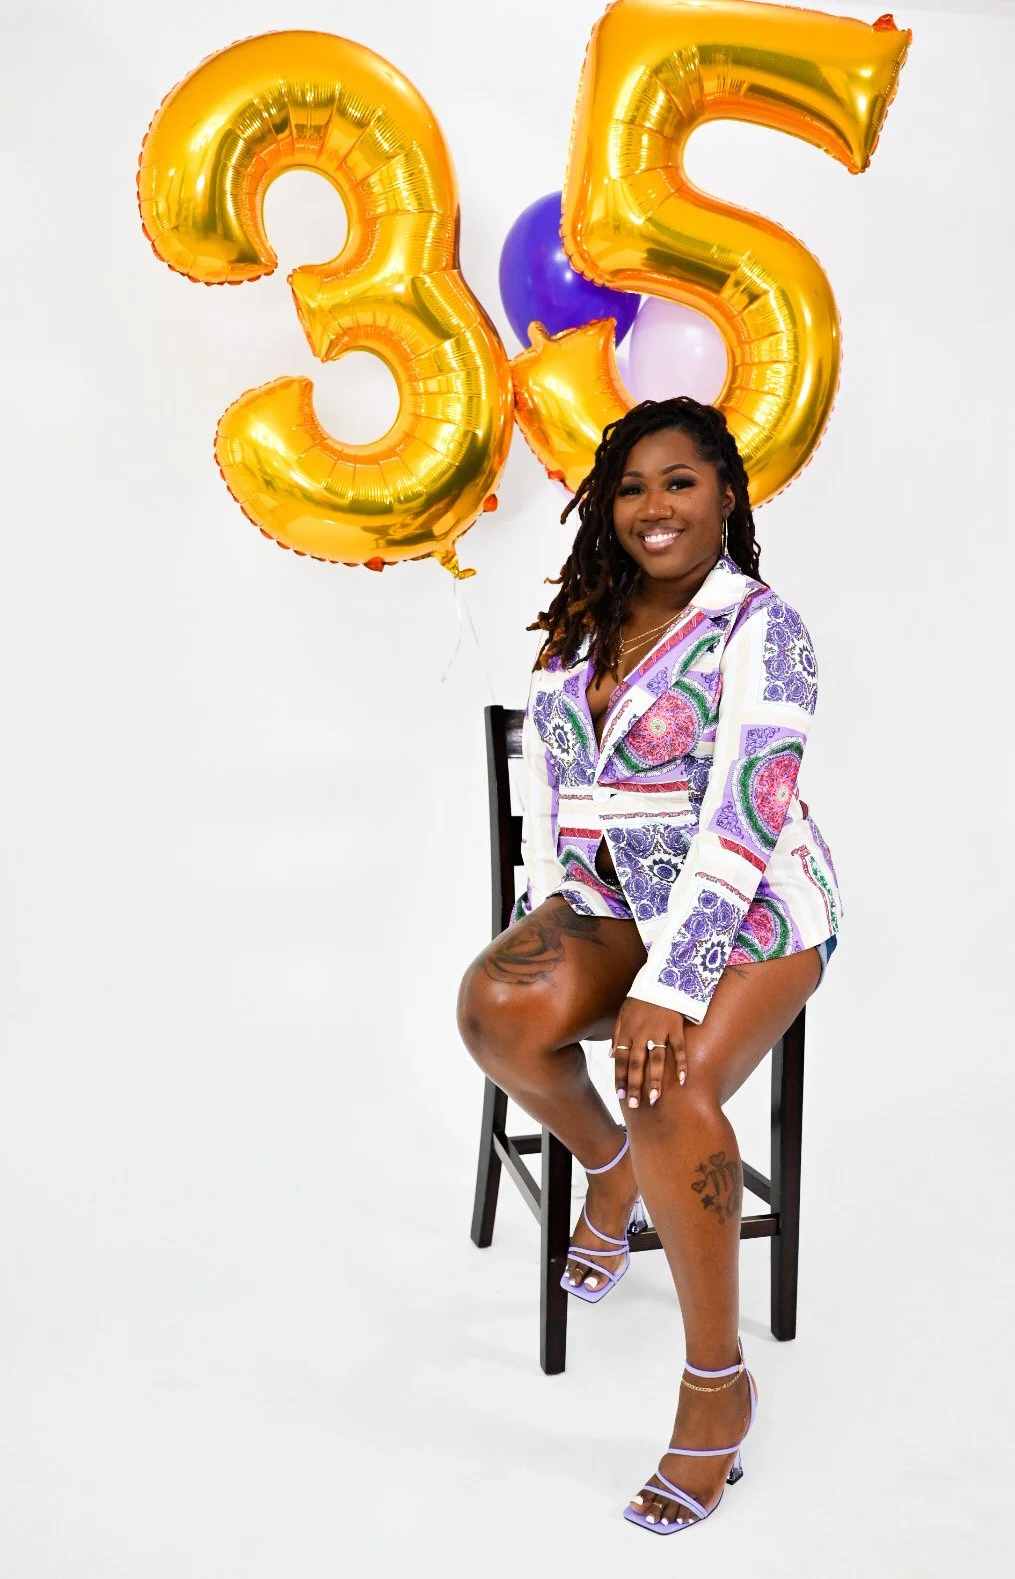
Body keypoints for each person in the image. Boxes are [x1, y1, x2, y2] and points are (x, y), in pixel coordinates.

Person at [457, 396, 841, 1536]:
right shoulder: (585, 621)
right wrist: (551, 919)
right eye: (630, 487)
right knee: (494, 1006)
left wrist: (667, 989)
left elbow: (745, 813)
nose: (653, 506)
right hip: (613, 897)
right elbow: (559, 793)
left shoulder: (762, 629)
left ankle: (716, 1388)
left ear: (727, 493)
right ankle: (616, 1169)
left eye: (680, 481)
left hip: (757, 904)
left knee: (668, 1079)